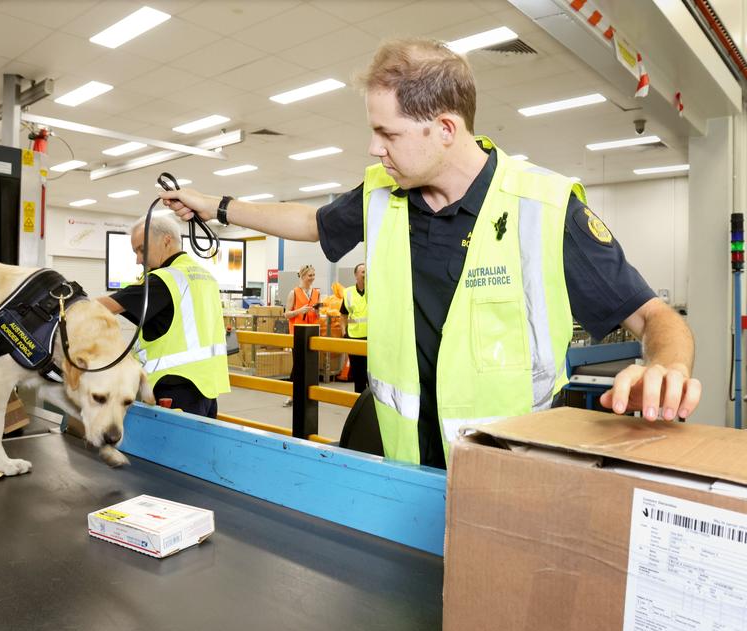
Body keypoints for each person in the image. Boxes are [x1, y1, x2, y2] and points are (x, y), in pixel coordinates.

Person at [161, 38, 701, 469]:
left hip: (510, 471)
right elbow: (309, 221)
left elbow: (652, 315)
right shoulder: (381, 193)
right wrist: (215, 205)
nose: (375, 148)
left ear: (445, 128)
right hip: (405, 470)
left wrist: (667, 366)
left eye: (386, 132)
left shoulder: (544, 207)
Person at [97, 214, 230, 418]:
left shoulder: (165, 279)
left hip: (174, 391)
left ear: (166, 240)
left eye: (142, 249)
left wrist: (65, 304)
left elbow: (104, 307)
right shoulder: (204, 275)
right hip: (206, 390)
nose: (138, 260)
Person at [281, 264, 321, 405]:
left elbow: (318, 314)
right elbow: (286, 314)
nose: (312, 278)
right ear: (303, 276)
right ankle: (291, 394)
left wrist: (317, 312)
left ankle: (306, 395)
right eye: (310, 275)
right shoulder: (294, 293)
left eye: (313, 275)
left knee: (309, 365)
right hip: (298, 333)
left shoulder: (316, 293)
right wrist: (300, 311)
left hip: (312, 333)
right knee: (298, 365)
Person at [340, 263, 368, 394]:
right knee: (358, 375)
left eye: (366, 272)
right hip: (354, 338)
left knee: (372, 375)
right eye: (362, 272)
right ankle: (359, 402)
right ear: (356, 275)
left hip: (372, 339)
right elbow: (343, 314)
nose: (365, 274)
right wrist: (344, 332)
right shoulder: (349, 293)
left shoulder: (375, 290)